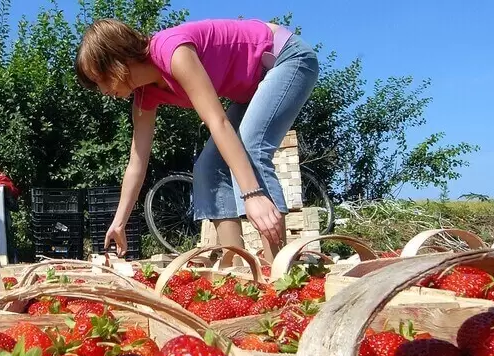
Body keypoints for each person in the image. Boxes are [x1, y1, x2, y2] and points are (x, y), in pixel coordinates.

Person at [75, 17, 319, 262]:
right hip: (252, 88)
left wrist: (252, 194)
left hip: (285, 58)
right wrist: (119, 223)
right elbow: (136, 162)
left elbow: (218, 122)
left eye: (102, 79)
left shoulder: (172, 52)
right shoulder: (144, 94)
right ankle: (238, 267)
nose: (104, 90)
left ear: (117, 59)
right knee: (208, 168)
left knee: (250, 148)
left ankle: (279, 273)